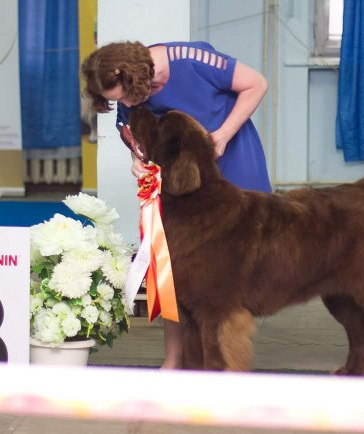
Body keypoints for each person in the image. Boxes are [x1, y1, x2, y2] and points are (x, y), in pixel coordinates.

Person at [81, 40, 271, 368]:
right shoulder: (127, 92)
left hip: (231, 158)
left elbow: (257, 84)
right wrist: (138, 159)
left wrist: (223, 135)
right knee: (174, 267)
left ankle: (225, 358)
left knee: (229, 272)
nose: (125, 104)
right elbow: (133, 134)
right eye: (116, 101)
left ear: (137, 77)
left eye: (126, 96)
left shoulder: (192, 60)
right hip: (180, 181)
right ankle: (174, 360)